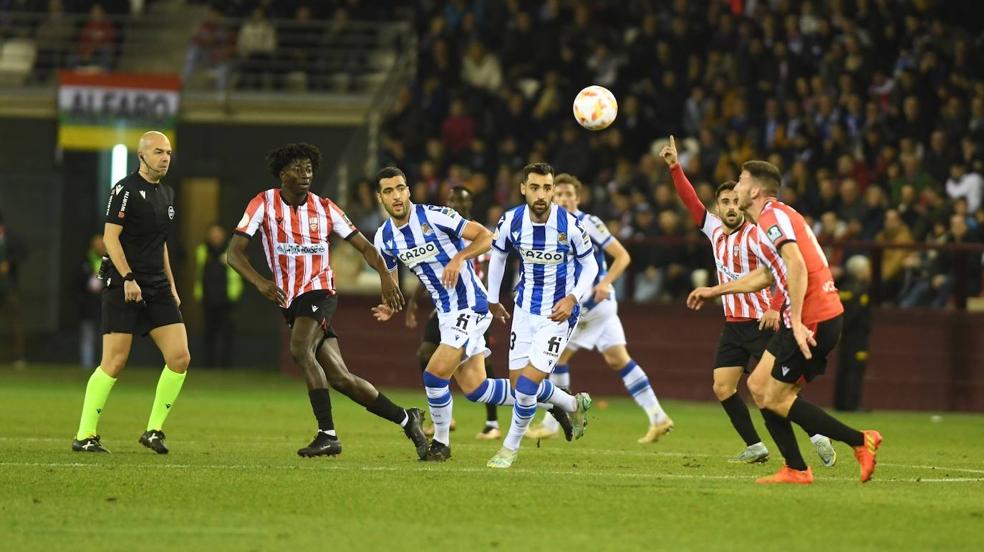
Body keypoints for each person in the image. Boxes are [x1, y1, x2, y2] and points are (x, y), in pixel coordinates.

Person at [226, 143, 427, 459]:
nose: (306, 174)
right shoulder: (263, 203)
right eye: (298, 168)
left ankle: (327, 435)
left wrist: (387, 278)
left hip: (319, 291)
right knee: (341, 378)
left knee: (299, 348)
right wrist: (261, 282)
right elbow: (233, 253)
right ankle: (407, 418)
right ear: (283, 174)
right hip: (290, 299)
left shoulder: (326, 208)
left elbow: (365, 247)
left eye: (309, 168)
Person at [688, 160, 882, 484]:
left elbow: (796, 265)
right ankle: (796, 468)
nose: (735, 187)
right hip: (810, 316)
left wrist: (794, 319)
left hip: (814, 316)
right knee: (759, 386)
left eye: (740, 180)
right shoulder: (772, 218)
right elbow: (767, 274)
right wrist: (716, 290)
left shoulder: (772, 217)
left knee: (774, 396)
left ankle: (861, 441)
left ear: (755, 189)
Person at [370, 171, 573, 461]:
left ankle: (441, 443)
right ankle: (551, 400)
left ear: (409, 191)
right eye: (389, 191)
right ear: (381, 198)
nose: (397, 195)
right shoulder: (384, 237)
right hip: (446, 313)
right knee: (477, 389)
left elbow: (485, 237)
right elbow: (390, 278)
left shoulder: (435, 216)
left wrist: (458, 257)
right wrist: (390, 303)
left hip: (471, 306)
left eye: (401, 188)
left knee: (434, 372)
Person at [662, 136, 835, 466]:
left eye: (732, 200)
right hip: (733, 326)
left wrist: (773, 306)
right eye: (722, 202)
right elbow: (689, 200)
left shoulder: (757, 233)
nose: (729, 206)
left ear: (740, 204)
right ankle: (756, 445)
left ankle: (817, 435)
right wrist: (674, 167)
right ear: (716, 208)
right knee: (722, 386)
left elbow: (784, 269)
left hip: (762, 322)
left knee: (775, 393)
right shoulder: (713, 231)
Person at [527, 173, 674, 444]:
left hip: (591, 305)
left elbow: (622, 255)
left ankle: (551, 423)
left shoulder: (588, 222)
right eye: (558, 194)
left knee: (556, 358)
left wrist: (605, 282)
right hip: (596, 306)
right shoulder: (550, 227)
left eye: (569, 194)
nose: (564, 199)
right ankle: (658, 417)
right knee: (619, 359)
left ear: (578, 198)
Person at [72, 131, 190, 455]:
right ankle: (85, 435)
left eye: (168, 152)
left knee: (180, 358)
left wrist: (173, 287)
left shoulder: (167, 193)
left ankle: (153, 431)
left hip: (156, 284)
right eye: (158, 152)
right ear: (142, 156)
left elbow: (161, 244)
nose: (165, 157)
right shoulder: (124, 190)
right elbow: (111, 238)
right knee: (115, 361)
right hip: (123, 282)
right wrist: (127, 277)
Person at [485, 162, 597, 469]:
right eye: (535, 187)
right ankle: (572, 403)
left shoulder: (570, 224)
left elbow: (591, 266)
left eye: (547, 188)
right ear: (523, 189)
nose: (542, 194)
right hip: (524, 310)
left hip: (557, 314)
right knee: (518, 382)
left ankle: (509, 448)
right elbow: (498, 256)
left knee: (525, 388)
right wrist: (493, 299)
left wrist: (573, 298)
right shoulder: (511, 221)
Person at [402, 186, 502, 440]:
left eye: (462, 201)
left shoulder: (477, 233)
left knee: (481, 368)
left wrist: (493, 300)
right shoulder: (439, 230)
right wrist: (413, 302)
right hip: (445, 306)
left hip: (474, 304)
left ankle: (492, 422)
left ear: (470, 206)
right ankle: (443, 422)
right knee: (426, 353)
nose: (456, 204)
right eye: (452, 200)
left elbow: (494, 271)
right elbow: (427, 271)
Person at [194, 224, 243, 368]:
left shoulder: (231, 250)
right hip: (208, 298)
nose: (215, 236)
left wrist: (235, 294)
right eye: (213, 233)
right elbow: (199, 273)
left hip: (226, 299)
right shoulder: (203, 250)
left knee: (227, 332)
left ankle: (226, 364)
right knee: (209, 332)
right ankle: (209, 364)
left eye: (218, 233)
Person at [834, 255, 872, 412]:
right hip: (857, 338)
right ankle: (852, 404)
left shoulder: (841, 288)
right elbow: (855, 316)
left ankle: (840, 403)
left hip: (843, 336)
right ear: (860, 271)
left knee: (843, 369)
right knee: (855, 371)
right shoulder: (861, 292)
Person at [78, 234, 106, 369]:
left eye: (103, 245)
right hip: (88, 305)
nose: (100, 247)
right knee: (87, 335)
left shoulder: (109, 261)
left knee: (105, 337)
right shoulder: (85, 261)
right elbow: (77, 284)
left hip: (105, 305)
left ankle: (105, 365)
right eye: (98, 245)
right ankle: (86, 365)